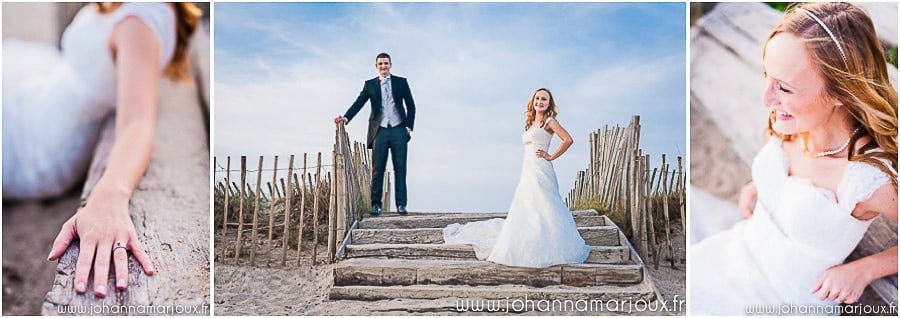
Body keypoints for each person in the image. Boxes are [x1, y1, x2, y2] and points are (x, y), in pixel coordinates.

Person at [691, 3, 897, 314]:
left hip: (779, 301)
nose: (767, 99)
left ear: (842, 92)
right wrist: (764, 185)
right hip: (734, 256)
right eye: (767, 77)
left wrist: (864, 269)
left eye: (784, 87)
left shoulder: (865, 180)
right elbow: (788, 172)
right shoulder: (791, 124)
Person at [3, 2, 201, 297]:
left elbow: (137, 124)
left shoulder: (139, 22)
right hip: (44, 94)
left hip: (37, 140)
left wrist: (109, 198)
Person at [442, 88, 590, 268]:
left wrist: (550, 156)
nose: (540, 102)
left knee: (545, 203)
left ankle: (549, 242)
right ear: (533, 101)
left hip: (541, 167)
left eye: (544, 99)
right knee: (528, 204)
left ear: (549, 104)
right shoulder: (530, 123)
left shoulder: (549, 121)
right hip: (527, 168)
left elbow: (568, 139)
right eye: (537, 98)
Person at [334, 52, 416, 215]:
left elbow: (411, 106)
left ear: (390, 65)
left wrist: (408, 126)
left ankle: (401, 205)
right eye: (380, 64)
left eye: (386, 63)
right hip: (379, 131)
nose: (383, 66)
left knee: (400, 168)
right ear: (376, 66)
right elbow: (359, 103)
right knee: (377, 168)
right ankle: (375, 205)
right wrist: (346, 117)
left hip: (399, 129)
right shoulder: (370, 85)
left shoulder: (401, 82)